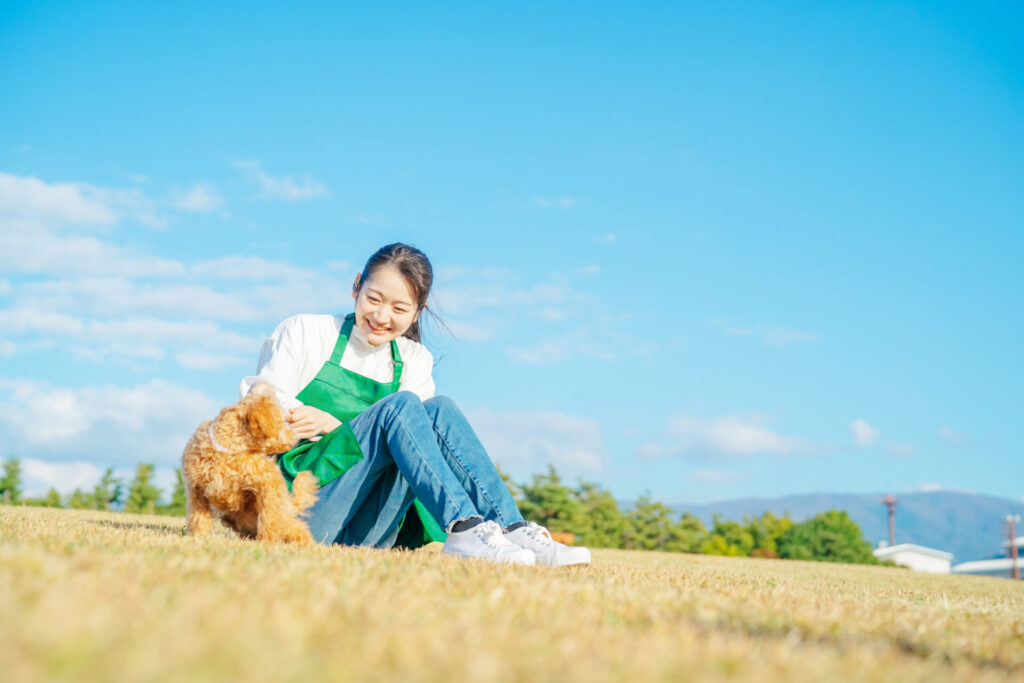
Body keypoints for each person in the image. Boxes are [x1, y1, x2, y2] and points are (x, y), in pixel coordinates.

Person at [240, 243, 590, 567]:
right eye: (374, 299)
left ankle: (511, 527)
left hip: (366, 529)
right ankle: (463, 527)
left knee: (439, 409)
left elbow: (424, 454)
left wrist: (336, 425)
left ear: (418, 312)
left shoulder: (413, 359)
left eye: (399, 308)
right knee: (403, 406)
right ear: (356, 286)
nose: (381, 316)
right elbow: (260, 400)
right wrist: (309, 417)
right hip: (296, 511)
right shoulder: (306, 331)